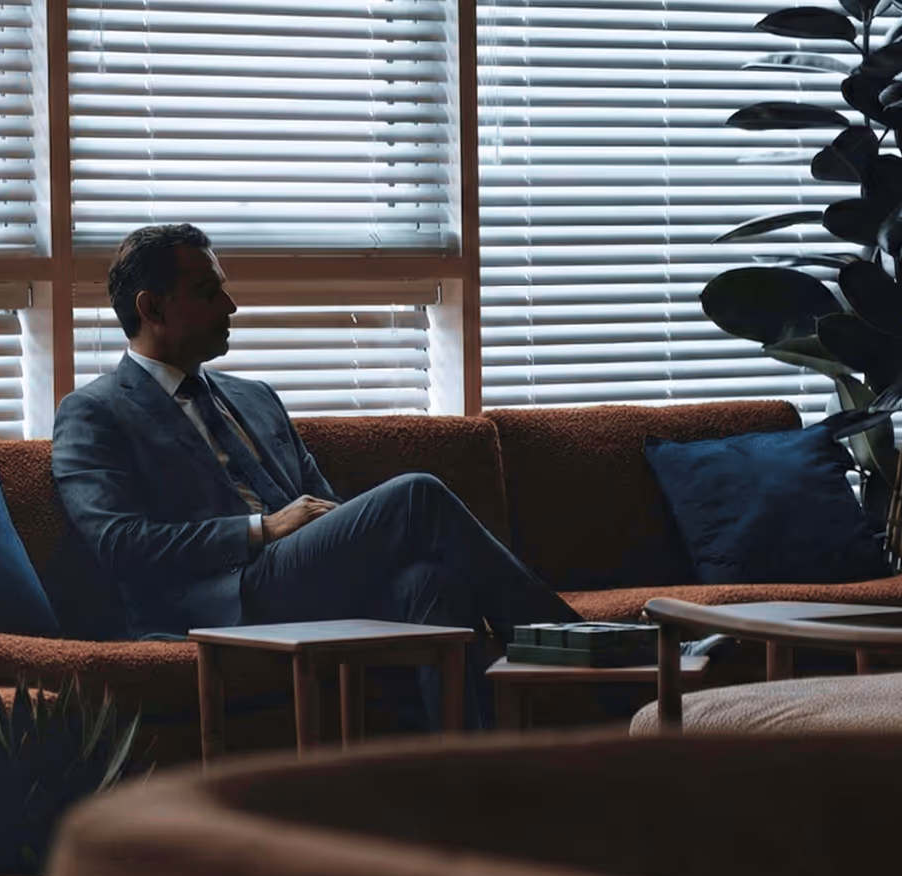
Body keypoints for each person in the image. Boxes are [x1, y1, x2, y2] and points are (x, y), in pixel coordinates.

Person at [51, 223, 587, 730]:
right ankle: (590, 657)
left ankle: (468, 781)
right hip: (224, 598)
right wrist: (262, 529)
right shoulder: (94, 412)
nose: (231, 306)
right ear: (152, 307)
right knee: (417, 494)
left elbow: (321, 503)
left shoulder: (254, 397)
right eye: (207, 292)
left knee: (431, 584)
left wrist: (319, 532)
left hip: (302, 577)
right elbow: (118, 543)